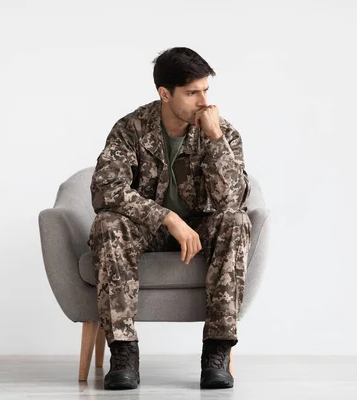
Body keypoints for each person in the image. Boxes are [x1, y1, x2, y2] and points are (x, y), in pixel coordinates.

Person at [87, 47, 252, 390]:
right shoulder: (130, 128)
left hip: (202, 226)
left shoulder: (221, 131)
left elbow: (231, 199)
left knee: (235, 221)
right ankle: (123, 355)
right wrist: (167, 219)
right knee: (108, 224)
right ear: (165, 93)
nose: (203, 101)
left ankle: (217, 355)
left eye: (206, 90)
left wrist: (215, 138)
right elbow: (105, 189)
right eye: (192, 93)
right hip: (147, 229)